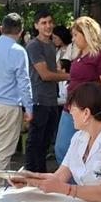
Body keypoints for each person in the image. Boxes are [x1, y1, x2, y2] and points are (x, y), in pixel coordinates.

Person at [0, 13, 34, 187]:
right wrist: (29, 108)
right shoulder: (18, 51)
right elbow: (24, 82)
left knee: (1, 149)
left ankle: (2, 185)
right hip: (8, 105)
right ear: (21, 31)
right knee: (3, 151)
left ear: (2, 28)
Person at [53, 17, 101, 164]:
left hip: (87, 110)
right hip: (71, 107)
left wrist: (96, 112)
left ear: (87, 33)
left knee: (76, 150)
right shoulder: (80, 55)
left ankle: (77, 183)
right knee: (63, 148)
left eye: (76, 35)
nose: (73, 39)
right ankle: (70, 182)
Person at [26, 10, 70, 173]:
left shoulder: (51, 44)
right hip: (38, 99)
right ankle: (31, 176)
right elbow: (45, 74)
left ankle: (41, 176)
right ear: (36, 25)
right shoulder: (34, 45)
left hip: (51, 99)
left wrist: (74, 75)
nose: (48, 26)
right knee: (35, 142)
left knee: (45, 143)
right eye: (44, 23)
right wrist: (71, 75)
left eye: (50, 22)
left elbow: (53, 71)